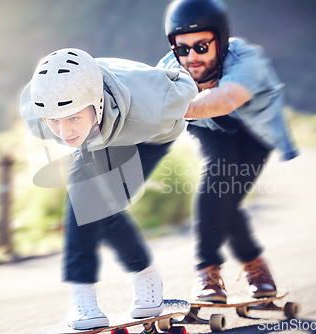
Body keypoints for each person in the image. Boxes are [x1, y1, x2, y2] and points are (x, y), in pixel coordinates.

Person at [19, 48, 197, 329]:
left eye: (72, 118)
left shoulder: (155, 105)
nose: (63, 133)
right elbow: (62, 123)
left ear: (98, 103)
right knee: (90, 205)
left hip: (149, 137)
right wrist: (69, 122)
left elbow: (186, 85)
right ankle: (91, 297)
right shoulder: (37, 108)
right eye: (54, 121)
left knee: (94, 205)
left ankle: (143, 280)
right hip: (95, 135)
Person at [158, 0, 299, 302]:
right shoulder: (169, 70)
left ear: (219, 40)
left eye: (201, 46)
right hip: (208, 130)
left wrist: (168, 108)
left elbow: (226, 99)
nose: (191, 57)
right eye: (182, 49)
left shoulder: (247, 59)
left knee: (227, 199)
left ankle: (253, 265)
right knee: (218, 176)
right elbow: (137, 98)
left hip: (254, 132)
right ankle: (210, 272)